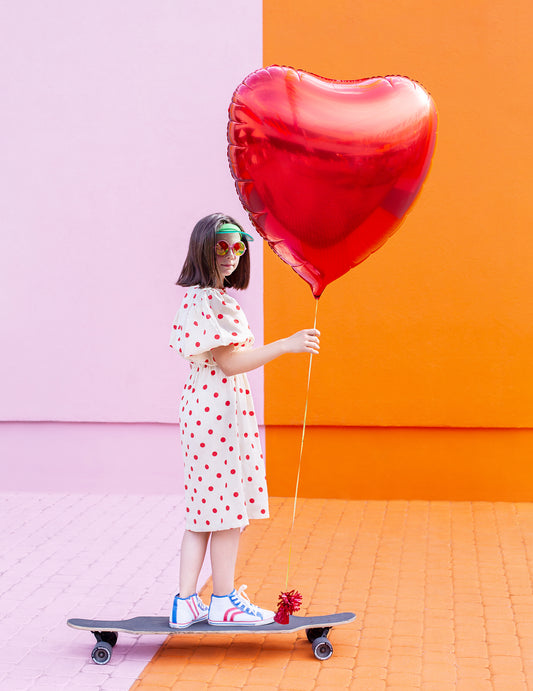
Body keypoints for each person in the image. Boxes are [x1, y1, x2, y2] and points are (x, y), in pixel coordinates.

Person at [168, 213, 320, 628]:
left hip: (205, 407)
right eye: (222, 245)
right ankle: (223, 601)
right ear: (203, 248)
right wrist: (285, 345)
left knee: (204, 511)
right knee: (227, 512)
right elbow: (230, 362)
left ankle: (186, 602)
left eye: (238, 246)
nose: (232, 254)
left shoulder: (198, 299)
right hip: (217, 412)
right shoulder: (212, 301)